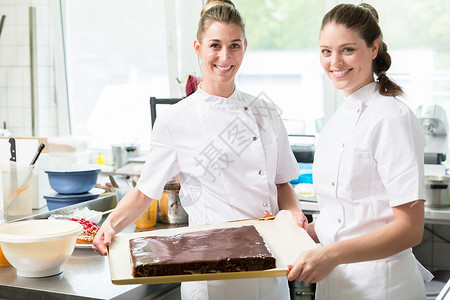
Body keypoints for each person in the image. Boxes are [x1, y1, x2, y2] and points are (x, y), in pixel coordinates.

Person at [93, 0, 307, 299]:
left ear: (245, 47)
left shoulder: (266, 112)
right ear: (198, 48)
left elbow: (282, 183)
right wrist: (110, 225)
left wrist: (295, 215)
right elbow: (144, 191)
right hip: (211, 272)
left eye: (234, 45)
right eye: (215, 45)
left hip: (271, 267)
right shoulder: (175, 120)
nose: (224, 56)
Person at [287, 3, 432, 300]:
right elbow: (344, 217)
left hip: (383, 285)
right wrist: (301, 231)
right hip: (337, 281)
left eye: (347, 50)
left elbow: (409, 229)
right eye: (326, 51)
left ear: (374, 48)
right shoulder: (337, 120)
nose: (335, 62)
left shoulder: (393, 117)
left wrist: (331, 254)